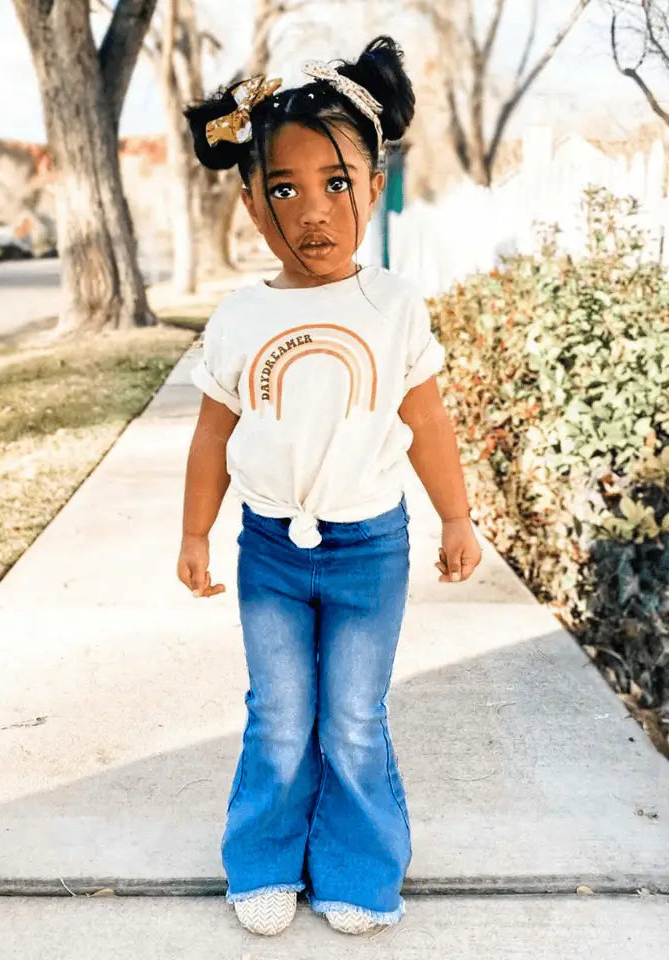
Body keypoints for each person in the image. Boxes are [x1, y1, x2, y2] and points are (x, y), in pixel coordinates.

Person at [178, 35, 483, 938]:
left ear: (374, 185)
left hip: (369, 550)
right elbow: (211, 435)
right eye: (284, 189)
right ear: (249, 203)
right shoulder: (241, 317)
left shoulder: (392, 306)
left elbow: (427, 424)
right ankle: (265, 858)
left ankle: (357, 865)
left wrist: (455, 516)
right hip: (271, 550)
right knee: (280, 715)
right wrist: (196, 534)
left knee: (352, 716)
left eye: (335, 183)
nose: (311, 211)